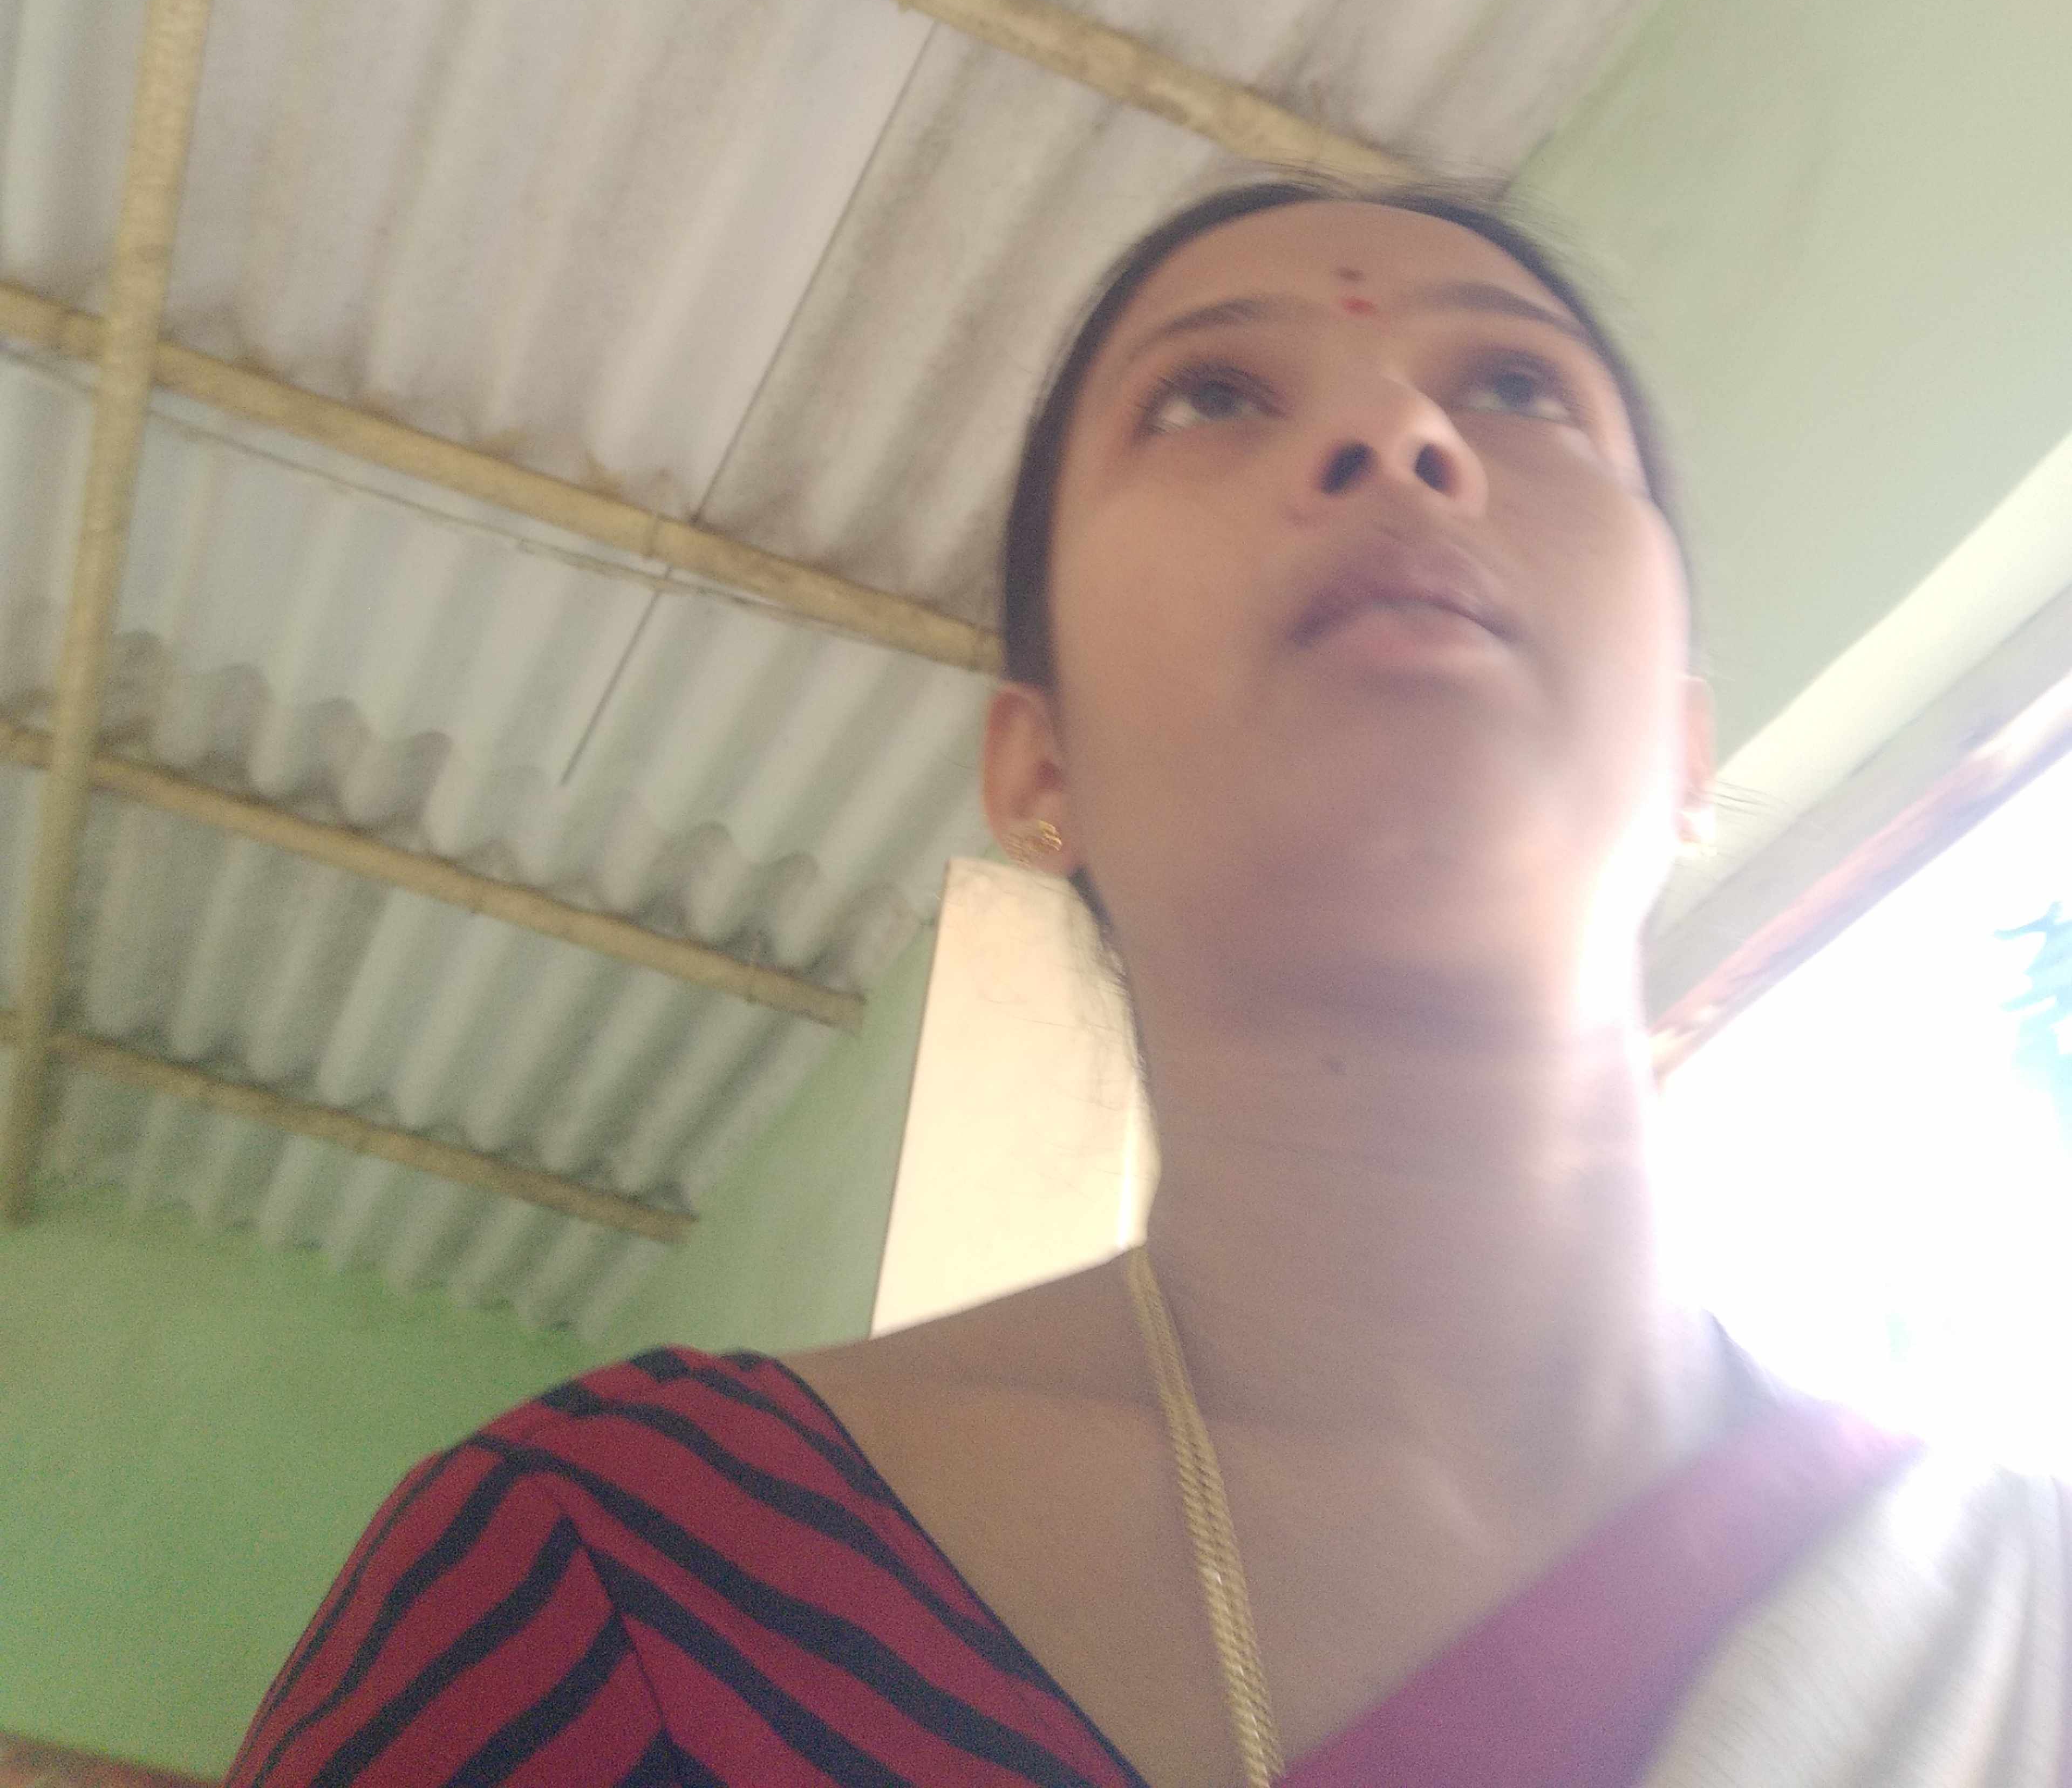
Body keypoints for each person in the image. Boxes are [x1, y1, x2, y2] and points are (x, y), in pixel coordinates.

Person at [227, 182, 2069, 1788]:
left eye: (1518, 388)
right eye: (1213, 396)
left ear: (1686, 746)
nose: (1399, 430)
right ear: (1040, 770)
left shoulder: (2023, 1631)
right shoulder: (618, 1575)